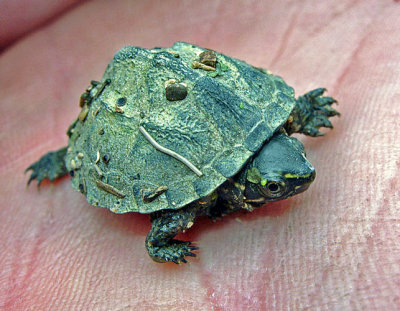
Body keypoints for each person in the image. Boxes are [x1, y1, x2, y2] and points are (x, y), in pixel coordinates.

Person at [1, 1, 399, 310]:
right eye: (274, 186)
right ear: (248, 188)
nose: (301, 175)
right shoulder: (200, 196)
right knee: (165, 192)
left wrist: (302, 111)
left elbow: (282, 113)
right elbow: (162, 226)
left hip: (190, 83)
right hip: (124, 119)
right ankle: (70, 156)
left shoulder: (271, 125)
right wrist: (160, 244)